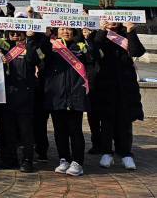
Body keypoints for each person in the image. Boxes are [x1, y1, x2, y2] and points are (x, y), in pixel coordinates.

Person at [40, 25, 99, 176]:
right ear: (56, 31)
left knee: (75, 131)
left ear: (73, 31)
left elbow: (93, 57)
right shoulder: (52, 47)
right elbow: (41, 57)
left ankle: (78, 162)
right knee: (59, 131)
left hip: (75, 95)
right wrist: (46, 38)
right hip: (56, 96)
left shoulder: (80, 47)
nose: (65, 31)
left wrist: (89, 39)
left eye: (68, 29)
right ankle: (64, 159)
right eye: (61, 29)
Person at [92, 18, 145, 170]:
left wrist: (131, 32)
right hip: (105, 86)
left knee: (125, 121)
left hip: (126, 86)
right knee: (107, 122)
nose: (112, 22)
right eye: (108, 19)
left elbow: (137, 51)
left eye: (116, 19)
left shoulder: (126, 34)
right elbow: (94, 54)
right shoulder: (100, 34)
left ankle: (126, 154)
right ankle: (107, 153)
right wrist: (102, 31)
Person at [0, 25, 40, 173]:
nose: (15, 35)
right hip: (7, 95)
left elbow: (34, 60)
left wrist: (31, 39)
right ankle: (11, 156)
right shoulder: (3, 47)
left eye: (18, 33)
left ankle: (27, 159)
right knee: (8, 130)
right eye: (12, 33)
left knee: (26, 131)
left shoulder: (30, 46)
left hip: (25, 95)